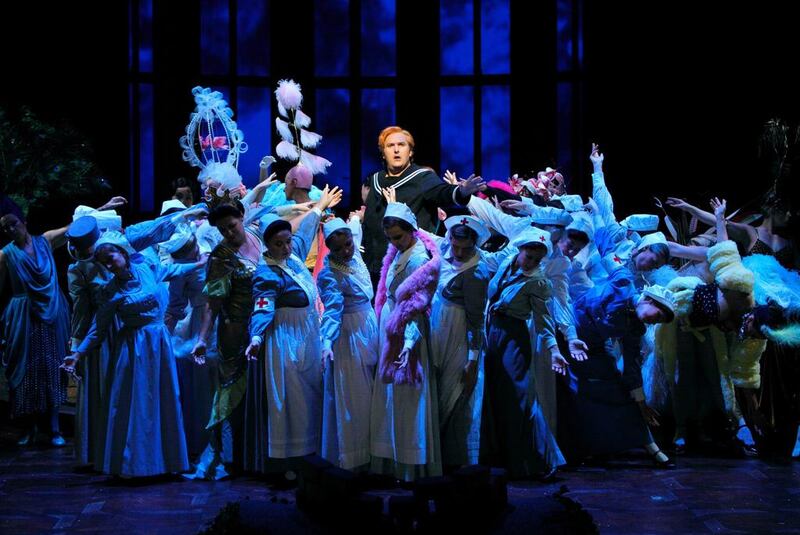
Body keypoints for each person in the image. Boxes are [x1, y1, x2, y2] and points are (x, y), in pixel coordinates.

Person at [63, 233, 206, 477]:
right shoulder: (111, 292)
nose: (109, 266)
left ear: (123, 254)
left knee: (164, 400)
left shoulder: (146, 268)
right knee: (138, 404)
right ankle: (136, 465)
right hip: (134, 348)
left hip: (158, 343)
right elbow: (98, 328)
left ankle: (167, 462)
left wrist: (199, 264)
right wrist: (77, 354)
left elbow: (172, 270)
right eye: (104, 263)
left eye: (111, 258)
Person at [244, 186, 342, 471]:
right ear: (267, 245)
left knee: (310, 398)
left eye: (287, 241)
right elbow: (263, 306)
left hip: (307, 335)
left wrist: (319, 207)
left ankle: (311, 456)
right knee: (292, 402)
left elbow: (306, 230)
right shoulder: (266, 272)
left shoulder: (294, 255)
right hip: (286, 340)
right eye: (279, 244)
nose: (286, 247)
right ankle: (290, 461)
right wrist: (256, 336)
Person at [557, 267, 676, 468]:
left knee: (620, 391)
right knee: (575, 393)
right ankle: (578, 449)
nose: (653, 321)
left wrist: (641, 402)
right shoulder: (623, 284)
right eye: (657, 316)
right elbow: (607, 245)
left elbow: (632, 364)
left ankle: (650, 445)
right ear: (649, 300)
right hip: (566, 336)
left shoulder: (634, 328)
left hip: (594, 348)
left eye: (658, 322)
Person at [479, 227, 569, 480]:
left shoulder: (538, 281)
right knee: (494, 394)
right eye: (528, 255)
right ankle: (502, 457)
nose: (530, 262)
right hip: (492, 330)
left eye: (536, 259)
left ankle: (539, 460)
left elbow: (543, 320)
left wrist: (554, 350)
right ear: (520, 250)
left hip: (512, 337)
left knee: (520, 395)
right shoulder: (508, 263)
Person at [370, 195, 443, 481]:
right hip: (392, 327)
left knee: (407, 398)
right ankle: (392, 460)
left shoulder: (418, 261)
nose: (394, 242)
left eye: (398, 236)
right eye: (390, 237)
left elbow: (417, 307)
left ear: (412, 230)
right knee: (391, 397)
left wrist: (409, 344)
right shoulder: (398, 254)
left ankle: (410, 464)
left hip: (406, 333)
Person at [362, 126, 485, 282]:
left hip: (411, 264)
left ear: (411, 151)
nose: (396, 150)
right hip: (375, 265)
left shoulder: (422, 177)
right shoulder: (375, 180)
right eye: (390, 146)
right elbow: (371, 220)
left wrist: (461, 191)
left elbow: (442, 192)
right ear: (383, 153)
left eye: (401, 145)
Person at [0, 213, 70, 447]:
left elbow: (75, 224)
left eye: (13, 224)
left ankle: (54, 428)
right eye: (5, 227)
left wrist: (105, 207)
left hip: (52, 310)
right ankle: (28, 428)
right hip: (24, 314)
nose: (10, 229)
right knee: (26, 370)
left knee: (53, 366)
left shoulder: (46, 240)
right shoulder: (5, 254)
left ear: (24, 222)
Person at [317, 213, 379, 470]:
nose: (345, 251)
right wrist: (327, 341)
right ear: (328, 248)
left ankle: (377, 453)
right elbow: (332, 310)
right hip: (349, 333)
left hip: (369, 325)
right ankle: (356, 457)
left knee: (374, 391)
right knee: (356, 396)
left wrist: (358, 217)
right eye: (338, 247)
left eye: (348, 245)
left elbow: (355, 228)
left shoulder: (356, 256)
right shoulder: (328, 274)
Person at [429, 215, 491, 467]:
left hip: (459, 335)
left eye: (466, 248)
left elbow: (475, 320)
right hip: (439, 329)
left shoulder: (477, 272)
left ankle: (456, 461)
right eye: (455, 246)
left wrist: (472, 360)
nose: (459, 252)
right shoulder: (446, 254)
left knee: (455, 395)